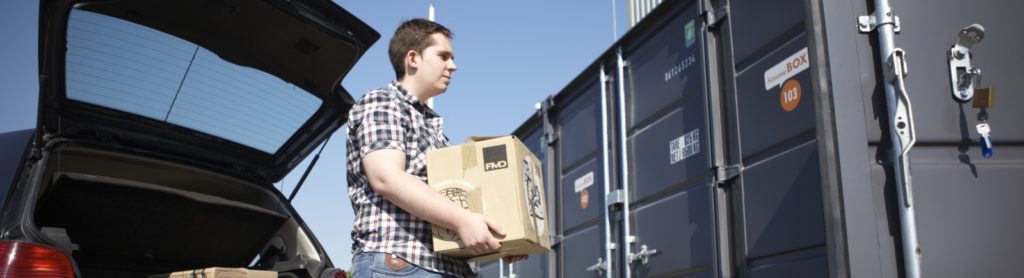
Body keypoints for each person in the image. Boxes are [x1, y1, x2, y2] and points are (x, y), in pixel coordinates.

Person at [345, 18, 525, 278]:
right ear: (413, 59)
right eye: (443, 56)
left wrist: (501, 238)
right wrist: (463, 220)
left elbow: (450, 212)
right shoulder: (382, 102)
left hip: (446, 267)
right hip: (400, 264)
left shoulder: (438, 134)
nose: (453, 66)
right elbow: (386, 177)